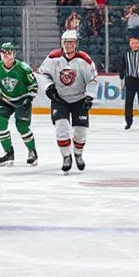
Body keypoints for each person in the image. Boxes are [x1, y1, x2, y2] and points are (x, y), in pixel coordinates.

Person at [39, 30, 99, 173]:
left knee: (80, 131)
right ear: (62, 43)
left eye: (71, 42)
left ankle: (78, 154)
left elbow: (92, 79)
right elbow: (42, 74)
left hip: (79, 99)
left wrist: (89, 96)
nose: (68, 45)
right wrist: (49, 88)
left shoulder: (84, 60)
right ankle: (66, 156)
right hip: (60, 99)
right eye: (66, 42)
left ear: (76, 44)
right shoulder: (53, 58)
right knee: (61, 129)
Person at [0, 42, 39, 166]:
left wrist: (29, 99)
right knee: (0, 121)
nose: (6, 55)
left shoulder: (23, 68)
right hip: (6, 100)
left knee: (22, 127)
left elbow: (33, 85)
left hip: (22, 100)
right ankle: (8, 152)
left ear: (14, 54)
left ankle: (32, 151)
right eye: (3, 53)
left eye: (9, 53)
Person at [119, 36, 139, 130]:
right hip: (130, 80)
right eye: (133, 43)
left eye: (136, 43)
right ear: (130, 45)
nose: (135, 45)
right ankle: (128, 122)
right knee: (129, 102)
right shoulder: (126, 55)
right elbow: (122, 67)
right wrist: (121, 78)